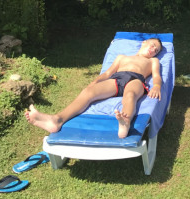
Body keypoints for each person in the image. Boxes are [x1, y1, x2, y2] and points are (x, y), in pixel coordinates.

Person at [25, 38, 163, 139]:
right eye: (152, 45)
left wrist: (156, 86)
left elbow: (156, 76)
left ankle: (125, 122)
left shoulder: (153, 61)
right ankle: (57, 120)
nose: (153, 49)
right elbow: (108, 73)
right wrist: (94, 82)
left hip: (135, 79)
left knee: (130, 95)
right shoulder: (122, 57)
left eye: (156, 50)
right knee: (88, 92)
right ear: (144, 42)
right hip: (116, 79)